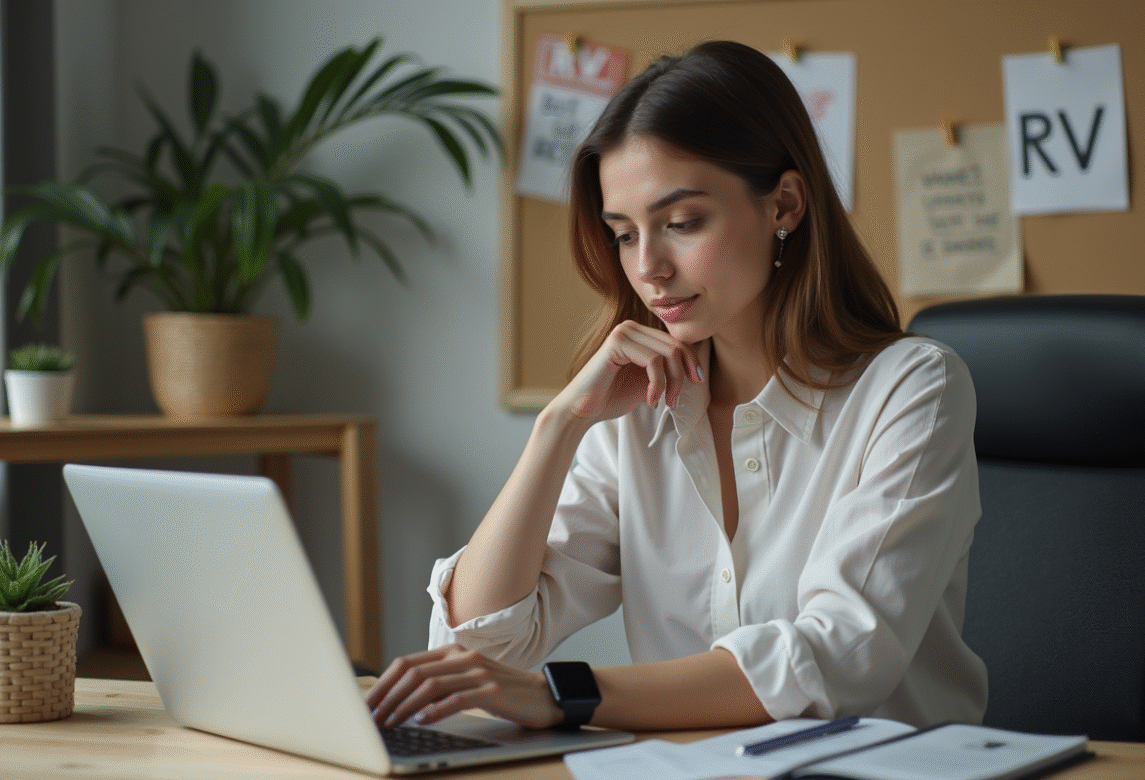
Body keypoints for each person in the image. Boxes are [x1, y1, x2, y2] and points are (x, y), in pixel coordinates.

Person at [366, 40, 988, 733]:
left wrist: (561, 694)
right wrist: (562, 423)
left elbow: (837, 655)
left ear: (783, 203)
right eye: (625, 235)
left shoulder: (912, 391)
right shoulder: (639, 414)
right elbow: (479, 645)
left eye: (682, 223)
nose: (649, 268)